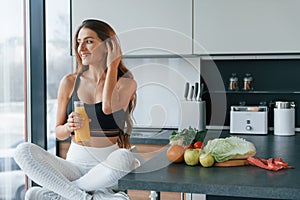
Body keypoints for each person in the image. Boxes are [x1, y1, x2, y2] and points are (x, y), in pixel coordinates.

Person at [14, 19, 137, 200]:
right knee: (22, 151)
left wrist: (112, 67)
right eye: (79, 42)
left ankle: (68, 193)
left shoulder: (126, 83)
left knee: (126, 157)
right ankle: (84, 197)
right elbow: (59, 133)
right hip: (74, 166)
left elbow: (107, 107)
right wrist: (68, 127)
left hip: (106, 168)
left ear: (107, 47)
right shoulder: (69, 82)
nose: (81, 48)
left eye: (89, 41)